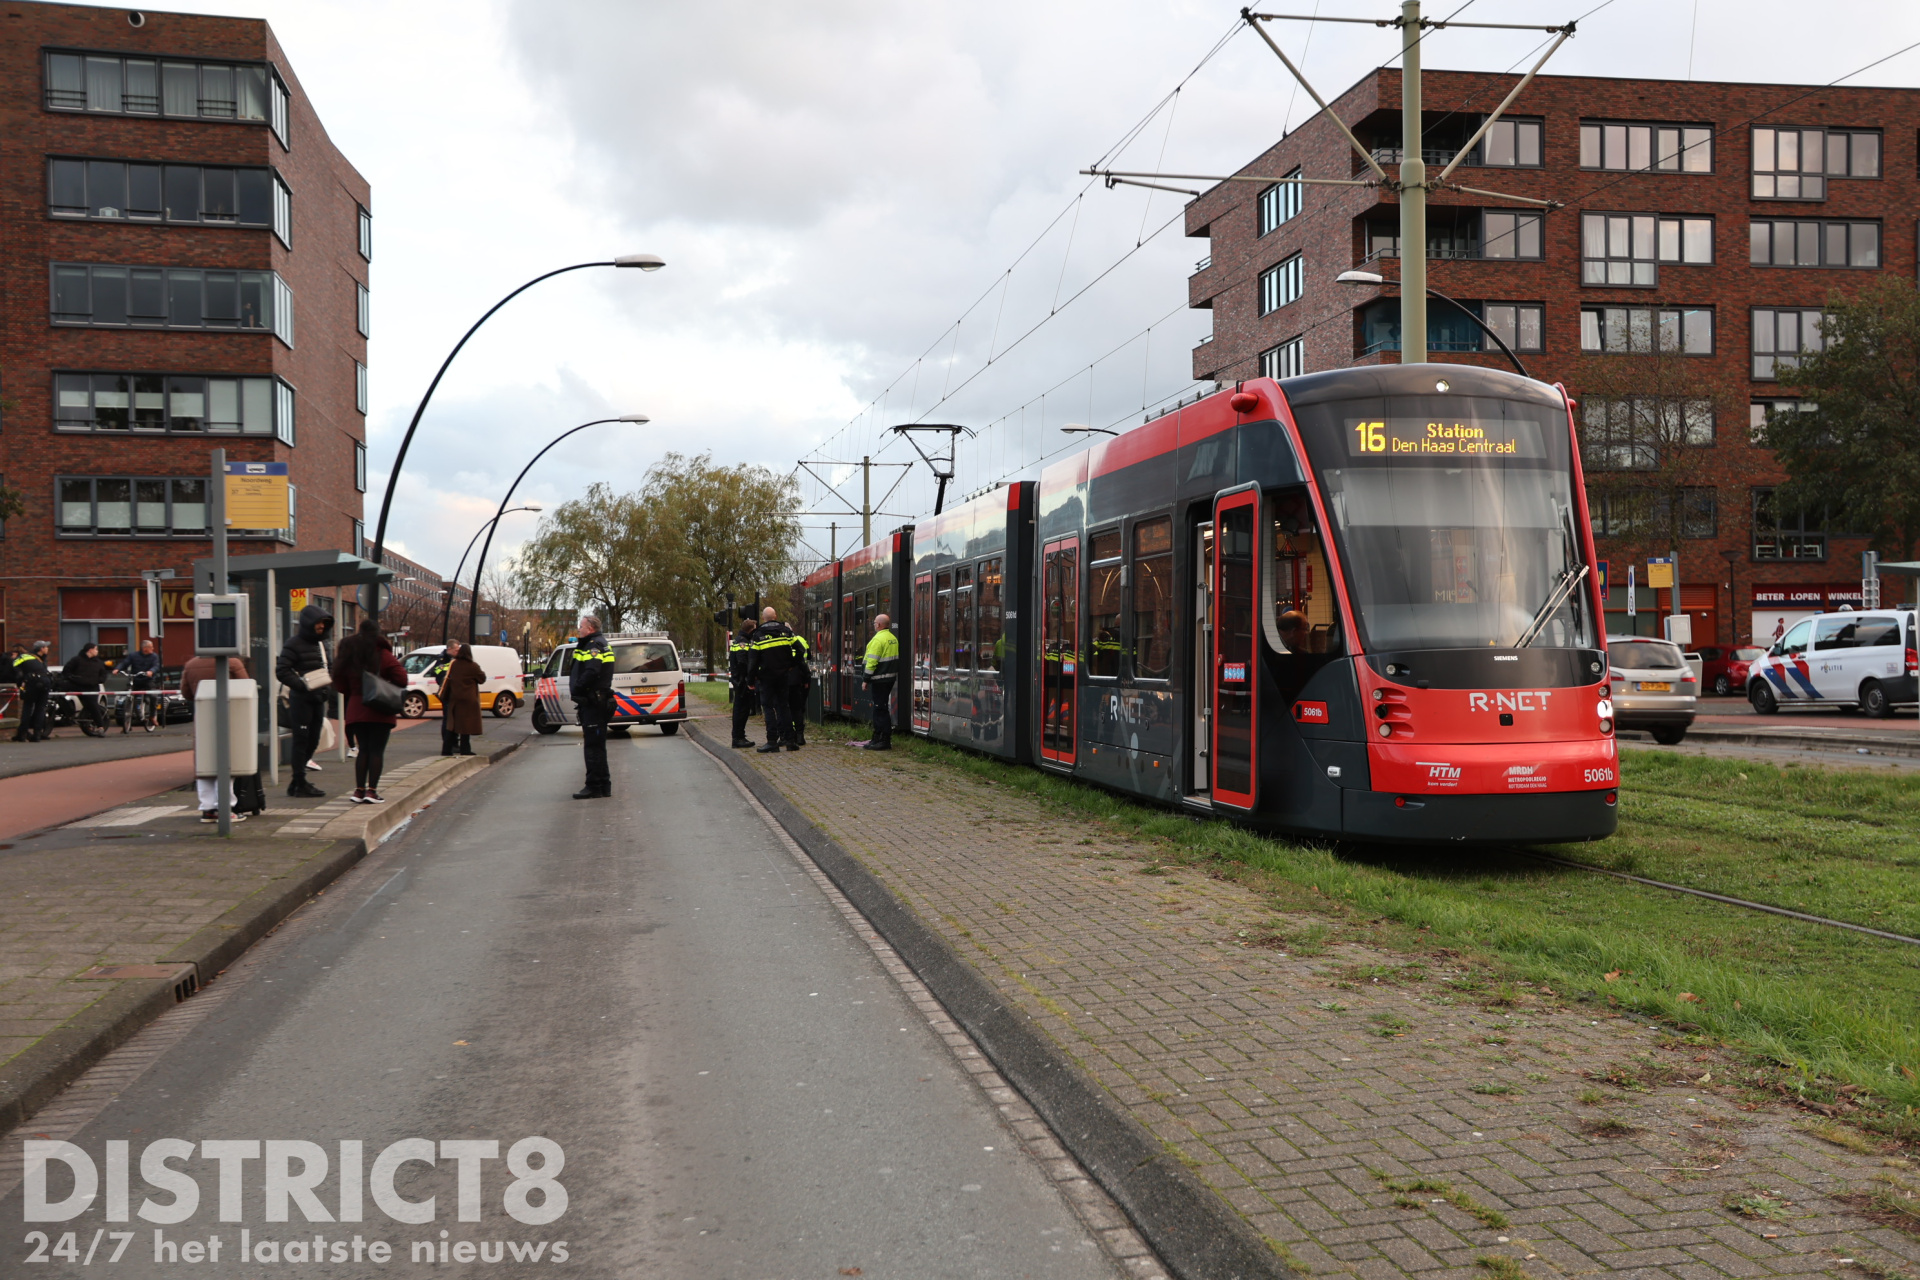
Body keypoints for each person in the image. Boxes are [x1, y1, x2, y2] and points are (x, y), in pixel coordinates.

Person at [330, 619, 406, 804]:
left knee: (363, 749)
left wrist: (354, 693)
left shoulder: (348, 652)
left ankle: (358, 791)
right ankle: (372, 792)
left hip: (356, 708)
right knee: (377, 751)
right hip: (380, 708)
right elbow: (402, 679)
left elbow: (339, 682)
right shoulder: (382, 653)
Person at [181, 652, 252, 822]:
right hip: (230, 715)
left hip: (203, 717)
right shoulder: (233, 663)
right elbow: (246, 687)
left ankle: (207, 809)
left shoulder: (190, 664)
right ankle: (226, 808)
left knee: (204, 764)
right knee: (227, 762)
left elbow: (186, 693)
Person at [275, 603, 335, 798]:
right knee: (301, 741)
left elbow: (330, 667)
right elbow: (282, 670)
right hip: (301, 700)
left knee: (314, 739)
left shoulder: (323, 644)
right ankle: (299, 782)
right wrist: (302, 685)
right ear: (309, 623)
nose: (321, 627)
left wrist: (329, 685)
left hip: (319, 699)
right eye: (319, 623)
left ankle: (296, 782)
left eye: (324, 624)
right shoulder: (293, 644)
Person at [570, 615, 616, 798]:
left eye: (581, 626)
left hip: (593, 703)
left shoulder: (593, 646)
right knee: (598, 746)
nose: (579, 630)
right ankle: (604, 785)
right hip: (599, 701)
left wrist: (579, 688)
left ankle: (594, 786)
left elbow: (592, 670)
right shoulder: (602, 644)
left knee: (592, 747)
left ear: (590, 628)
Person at [746, 606, 803, 753]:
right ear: (775, 616)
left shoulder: (758, 635)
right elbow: (800, 650)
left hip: (766, 677)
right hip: (784, 675)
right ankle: (790, 741)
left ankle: (772, 741)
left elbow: (752, 660)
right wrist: (791, 665)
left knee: (768, 707)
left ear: (763, 618)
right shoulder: (786, 632)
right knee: (784, 706)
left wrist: (750, 680)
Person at [435, 640, 485, 757]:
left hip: (454, 698)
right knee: (465, 726)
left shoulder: (453, 664)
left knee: (451, 725)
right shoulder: (473, 666)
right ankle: (465, 749)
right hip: (468, 700)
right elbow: (482, 679)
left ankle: (446, 749)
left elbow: (444, 676)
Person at [859, 613, 900, 750]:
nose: (874, 624)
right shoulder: (892, 638)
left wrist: (865, 679)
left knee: (879, 709)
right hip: (889, 678)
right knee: (882, 708)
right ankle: (879, 738)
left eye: (875, 622)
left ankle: (882, 739)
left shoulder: (878, 640)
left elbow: (871, 662)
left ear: (879, 625)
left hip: (879, 679)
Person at [61, 641, 110, 731]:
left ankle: (100, 726)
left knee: (93, 706)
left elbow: (103, 674)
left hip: (92, 687)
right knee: (60, 694)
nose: (97, 651)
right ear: (90, 650)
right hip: (78, 686)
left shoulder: (98, 662)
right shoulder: (76, 660)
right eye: (96, 649)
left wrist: (98, 680)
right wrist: (73, 679)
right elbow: (66, 671)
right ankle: (67, 715)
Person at [727, 614, 759, 748]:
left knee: (741, 709)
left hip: (739, 681)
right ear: (751, 630)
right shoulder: (743, 643)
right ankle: (738, 738)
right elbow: (743, 663)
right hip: (742, 682)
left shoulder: (740, 640)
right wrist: (748, 679)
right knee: (741, 710)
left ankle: (739, 736)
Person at [11, 640, 52, 743]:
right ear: (41, 649)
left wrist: (20, 682)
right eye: (46, 647)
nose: (47, 649)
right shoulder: (33, 658)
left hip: (33, 684)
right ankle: (37, 734)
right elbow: (14, 665)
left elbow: (14, 666)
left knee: (28, 708)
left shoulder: (36, 659)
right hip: (43, 683)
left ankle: (23, 734)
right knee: (40, 709)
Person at [121, 638, 161, 731]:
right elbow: (125, 663)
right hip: (136, 679)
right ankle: (128, 723)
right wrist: (117, 669)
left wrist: (151, 671)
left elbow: (156, 665)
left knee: (153, 696)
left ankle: (152, 716)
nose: (153, 648)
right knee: (131, 696)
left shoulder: (154, 656)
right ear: (145, 648)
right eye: (151, 647)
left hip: (148, 680)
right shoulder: (133, 656)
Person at [787, 629, 813, 747]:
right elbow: (806, 660)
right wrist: (806, 679)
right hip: (797, 680)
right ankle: (799, 736)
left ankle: (788, 736)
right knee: (798, 709)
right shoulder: (799, 640)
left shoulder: (778, 642)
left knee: (784, 709)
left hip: (783, 680)